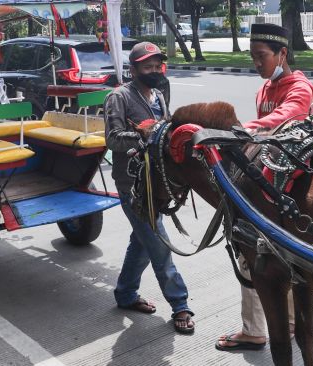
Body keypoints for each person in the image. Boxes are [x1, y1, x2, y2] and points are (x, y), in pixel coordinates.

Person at [216, 23, 313, 351]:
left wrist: (244, 128)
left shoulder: (299, 88)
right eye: (252, 57)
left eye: (261, 56)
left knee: (253, 258)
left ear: (282, 54)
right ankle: (286, 323)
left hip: (291, 194)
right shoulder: (264, 89)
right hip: (269, 186)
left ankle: (254, 330)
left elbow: (288, 116)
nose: (256, 63)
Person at [104, 41, 195, 334]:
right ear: (134, 70)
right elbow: (113, 139)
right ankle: (180, 304)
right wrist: (147, 135)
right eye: (148, 67)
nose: (154, 71)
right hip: (132, 183)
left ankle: (125, 293)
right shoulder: (118, 97)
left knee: (142, 240)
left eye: (158, 66)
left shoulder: (158, 94)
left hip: (155, 180)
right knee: (158, 243)